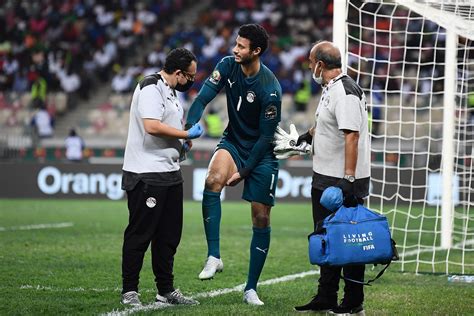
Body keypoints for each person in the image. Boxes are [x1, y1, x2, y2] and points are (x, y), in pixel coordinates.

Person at [185, 24, 282, 306]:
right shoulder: (228, 66)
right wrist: (189, 129)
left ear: (256, 51)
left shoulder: (270, 88)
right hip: (233, 142)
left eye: (241, 46)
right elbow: (202, 98)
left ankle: (251, 288)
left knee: (260, 217)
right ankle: (214, 256)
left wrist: (243, 172)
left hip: (261, 154)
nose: (234, 50)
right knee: (212, 179)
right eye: (235, 44)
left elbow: (266, 138)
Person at [120, 47, 204, 307]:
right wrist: (186, 135)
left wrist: (181, 146)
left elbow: (167, 130)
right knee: (140, 233)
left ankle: (165, 290)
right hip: (146, 173)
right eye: (190, 76)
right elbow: (152, 126)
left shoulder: (171, 93)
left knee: (168, 236)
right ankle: (130, 291)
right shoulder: (150, 86)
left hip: (169, 173)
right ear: (178, 73)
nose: (191, 81)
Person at [293, 41, 370, 315]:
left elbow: (352, 135)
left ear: (320, 65)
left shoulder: (346, 91)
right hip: (325, 177)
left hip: (341, 181)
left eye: (311, 62)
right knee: (326, 238)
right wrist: (308, 135)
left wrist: (348, 179)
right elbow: (331, 125)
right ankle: (326, 297)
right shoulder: (332, 89)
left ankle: (353, 302)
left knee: (349, 242)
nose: (310, 67)